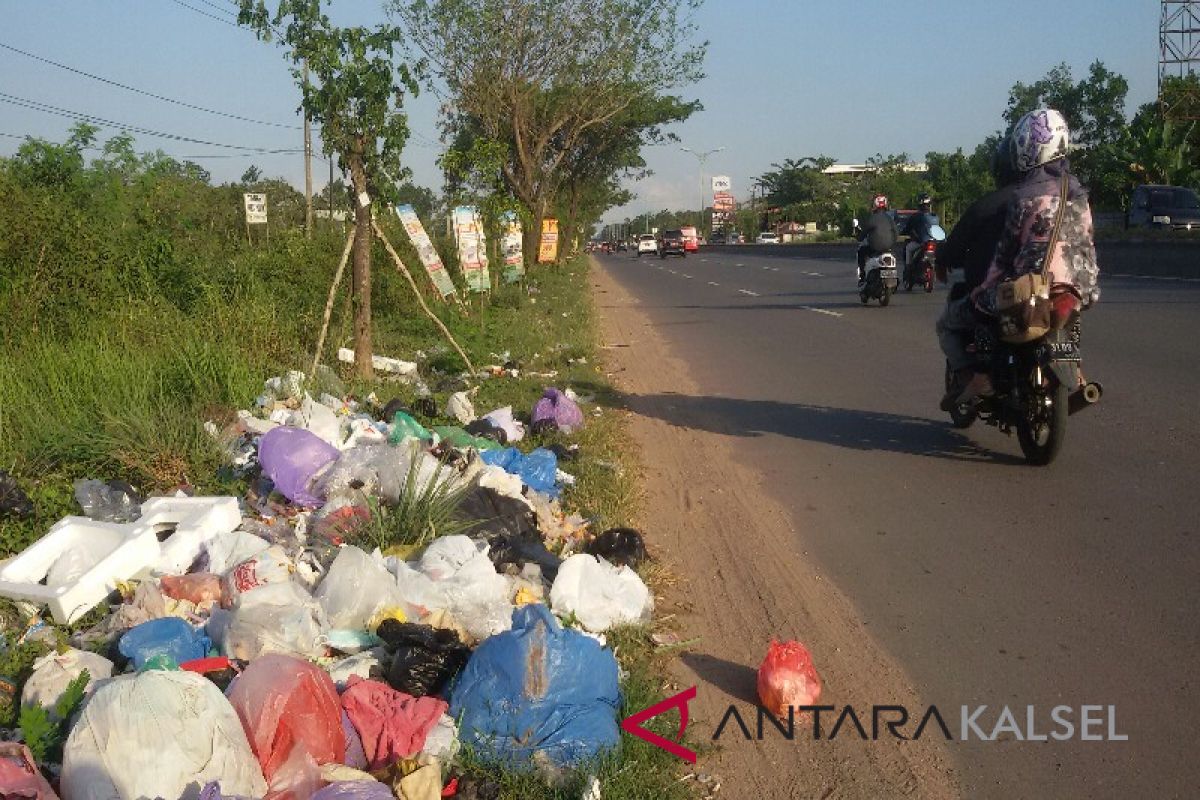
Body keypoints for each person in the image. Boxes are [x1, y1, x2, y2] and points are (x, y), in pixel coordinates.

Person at [943, 108, 1100, 407]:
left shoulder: (1025, 196)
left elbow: (1004, 256)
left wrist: (982, 291)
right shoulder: (1079, 193)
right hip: (1082, 288)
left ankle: (981, 375)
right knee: (1068, 318)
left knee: (977, 310)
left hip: (1034, 290)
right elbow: (1087, 244)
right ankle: (1075, 372)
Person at [935, 138, 1021, 408]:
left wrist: (943, 259)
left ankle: (968, 376)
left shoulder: (988, 205)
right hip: (1047, 291)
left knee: (946, 324)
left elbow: (955, 245)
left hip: (999, 296)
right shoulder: (1055, 203)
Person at [856, 195, 898, 285]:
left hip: (875, 248)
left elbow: (864, 232)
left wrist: (859, 237)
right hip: (889, 247)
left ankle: (862, 276)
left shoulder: (872, 218)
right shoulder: (890, 219)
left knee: (861, 252)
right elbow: (896, 233)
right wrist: (892, 242)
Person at [902, 193, 940, 278]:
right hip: (933, 242)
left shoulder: (916, 216)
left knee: (908, 249)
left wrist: (903, 232)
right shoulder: (934, 216)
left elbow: (908, 228)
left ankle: (908, 267)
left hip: (921, 242)